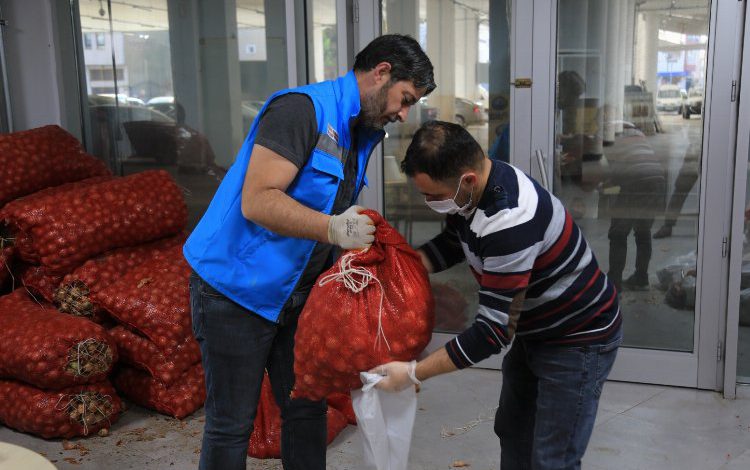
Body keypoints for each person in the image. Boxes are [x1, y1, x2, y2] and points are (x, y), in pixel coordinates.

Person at [182, 34, 435, 470]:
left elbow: (323, 200)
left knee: (306, 409)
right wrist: (334, 227)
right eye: (405, 98)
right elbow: (258, 200)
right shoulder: (301, 110)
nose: (404, 113)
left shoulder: (362, 131)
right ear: (382, 73)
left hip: (297, 295)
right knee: (231, 423)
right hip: (235, 291)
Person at [373, 121, 622, 470]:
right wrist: (399, 270)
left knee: (554, 457)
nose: (429, 204)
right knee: (514, 430)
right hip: (536, 329)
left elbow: (492, 333)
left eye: (433, 196)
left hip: (577, 337)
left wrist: (414, 372)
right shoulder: (476, 190)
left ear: (467, 180)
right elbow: (453, 243)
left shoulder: (509, 221)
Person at [604, 124, 667, 291]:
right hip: (657, 181)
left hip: (636, 182)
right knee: (643, 232)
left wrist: (604, 187)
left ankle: (615, 281)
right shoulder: (639, 136)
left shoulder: (614, 139)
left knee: (618, 233)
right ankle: (641, 276)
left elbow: (616, 174)